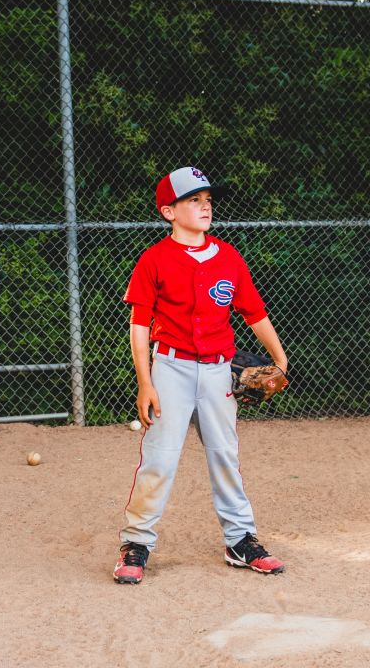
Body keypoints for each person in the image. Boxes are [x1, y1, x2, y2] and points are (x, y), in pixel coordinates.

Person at [113, 166, 289, 585]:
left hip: (217, 371)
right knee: (159, 459)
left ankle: (240, 540)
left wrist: (280, 359)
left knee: (225, 455)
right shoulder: (153, 260)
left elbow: (254, 313)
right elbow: (139, 325)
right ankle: (136, 543)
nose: (205, 206)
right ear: (168, 211)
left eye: (207, 199)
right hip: (170, 367)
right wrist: (146, 381)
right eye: (193, 200)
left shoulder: (228, 257)